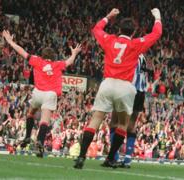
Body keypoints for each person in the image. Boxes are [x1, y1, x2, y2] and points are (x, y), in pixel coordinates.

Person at [74, 8, 162, 169]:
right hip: (125, 87)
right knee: (123, 124)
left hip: (107, 83)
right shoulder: (135, 44)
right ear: (133, 32)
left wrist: (108, 17)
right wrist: (157, 17)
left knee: (96, 119)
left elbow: (96, 29)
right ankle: (110, 158)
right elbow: (156, 34)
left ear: (119, 29)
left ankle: (81, 156)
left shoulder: (109, 40)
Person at [2, 30, 82, 157]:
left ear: (43, 55)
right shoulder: (57, 64)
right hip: (50, 94)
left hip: (38, 92)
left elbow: (22, 51)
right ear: (53, 57)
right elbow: (69, 62)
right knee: (45, 120)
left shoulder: (37, 60)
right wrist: (74, 53)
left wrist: (10, 42)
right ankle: (39, 141)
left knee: (31, 113)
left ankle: (28, 136)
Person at [110, 54, 148, 168]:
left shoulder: (128, 51)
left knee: (115, 123)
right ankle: (127, 160)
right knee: (131, 125)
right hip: (140, 91)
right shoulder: (142, 56)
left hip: (127, 88)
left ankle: (114, 156)